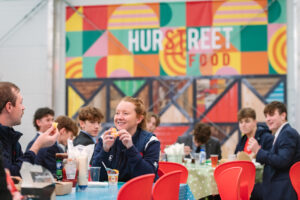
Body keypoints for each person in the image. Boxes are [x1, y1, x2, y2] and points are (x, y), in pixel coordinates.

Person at [92, 96, 160, 182]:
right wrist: (105, 150)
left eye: (125, 113)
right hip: (111, 193)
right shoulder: (105, 138)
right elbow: (96, 176)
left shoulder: (151, 141)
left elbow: (149, 176)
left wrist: (131, 148)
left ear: (139, 119)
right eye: (117, 113)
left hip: (141, 193)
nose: (119, 117)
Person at [0, 82, 59, 176]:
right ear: (9, 107)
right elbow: (10, 175)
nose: (24, 107)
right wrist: (37, 145)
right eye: (21, 103)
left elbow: (23, 174)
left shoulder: (13, 140)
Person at [248, 101, 300, 200]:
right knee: (250, 189)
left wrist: (258, 151)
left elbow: (282, 161)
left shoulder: (288, 133)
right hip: (278, 181)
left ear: (283, 115)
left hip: (283, 185)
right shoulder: (281, 133)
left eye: (271, 114)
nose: (267, 119)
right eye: (266, 116)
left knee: (248, 190)